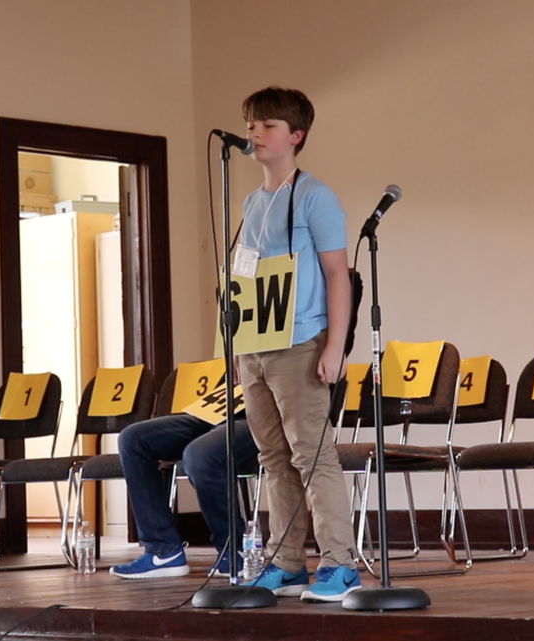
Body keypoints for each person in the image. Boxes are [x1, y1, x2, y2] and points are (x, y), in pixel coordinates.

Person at [235, 87, 361, 603]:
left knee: (312, 454)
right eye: (250, 126)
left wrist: (334, 346)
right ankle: (285, 563)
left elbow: (338, 274)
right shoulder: (249, 201)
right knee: (272, 456)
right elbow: (246, 272)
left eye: (266, 126)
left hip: (300, 341)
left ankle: (339, 563)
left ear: (295, 136)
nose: (254, 135)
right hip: (254, 344)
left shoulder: (315, 196)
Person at [109, 413, 259, 579]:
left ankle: (234, 550)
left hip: (257, 414)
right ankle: (163, 551)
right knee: (133, 438)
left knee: (200, 455)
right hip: (216, 411)